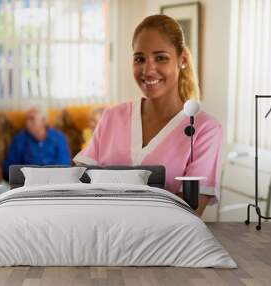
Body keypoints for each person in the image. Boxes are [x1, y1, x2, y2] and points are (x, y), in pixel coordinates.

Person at [74, 15, 222, 217]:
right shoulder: (112, 117)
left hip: (164, 246)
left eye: (161, 58)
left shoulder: (205, 129)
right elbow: (79, 190)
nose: (148, 70)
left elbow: (188, 215)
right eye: (139, 59)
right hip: (100, 241)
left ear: (183, 61)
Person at [3, 105, 71, 180]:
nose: (27, 123)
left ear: (44, 120)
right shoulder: (20, 139)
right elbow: (9, 167)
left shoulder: (58, 137)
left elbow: (65, 164)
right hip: (28, 183)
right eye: (27, 119)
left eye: (32, 119)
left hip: (54, 182)